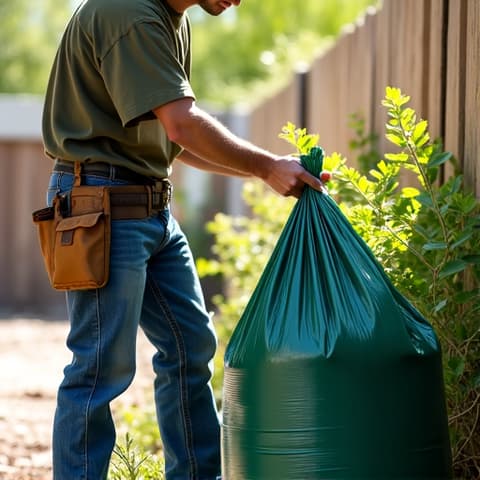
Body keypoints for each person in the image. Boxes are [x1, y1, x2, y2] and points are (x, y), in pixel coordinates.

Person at [41, 0, 324, 478]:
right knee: (99, 369)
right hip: (101, 205)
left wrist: (267, 170)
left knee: (190, 348)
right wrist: (264, 166)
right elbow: (183, 122)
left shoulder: (172, 20)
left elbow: (176, 141)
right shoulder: (129, 13)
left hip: (149, 203)